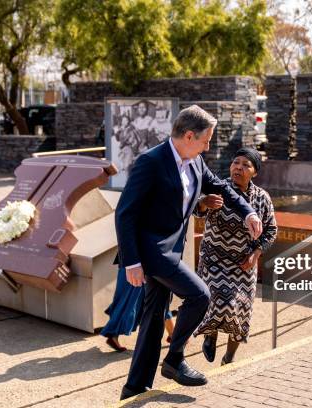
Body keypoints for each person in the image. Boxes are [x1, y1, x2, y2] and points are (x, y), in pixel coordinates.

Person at [116, 105, 263, 400]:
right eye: (206, 140)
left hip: (173, 249)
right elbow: (125, 214)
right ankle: (174, 359)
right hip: (153, 251)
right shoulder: (151, 162)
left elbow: (223, 188)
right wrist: (132, 261)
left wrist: (248, 212)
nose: (209, 146)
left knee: (154, 318)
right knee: (200, 295)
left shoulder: (195, 161)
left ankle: (134, 388)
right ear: (188, 135)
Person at [194, 147, 277, 366]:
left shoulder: (262, 198)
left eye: (246, 165)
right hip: (214, 259)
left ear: (255, 172)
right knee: (216, 298)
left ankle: (229, 357)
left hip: (244, 263)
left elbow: (271, 230)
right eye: (236, 163)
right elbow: (196, 210)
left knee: (240, 309)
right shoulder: (219, 189)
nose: (239, 168)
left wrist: (256, 254)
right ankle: (210, 336)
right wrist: (204, 202)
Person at [100, 265, 175, 352]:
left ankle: (172, 334)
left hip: (137, 262)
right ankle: (113, 333)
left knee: (152, 297)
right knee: (132, 299)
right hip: (136, 264)